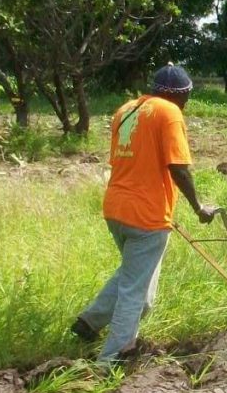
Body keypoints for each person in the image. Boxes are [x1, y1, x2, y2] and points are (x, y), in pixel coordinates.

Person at [73, 64, 218, 365]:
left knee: (134, 279)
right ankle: (112, 361)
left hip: (116, 208)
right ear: (178, 94)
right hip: (146, 217)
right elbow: (178, 167)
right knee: (134, 293)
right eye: (188, 96)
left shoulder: (126, 110)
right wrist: (198, 207)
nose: (187, 103)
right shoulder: (169, 112)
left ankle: (89, 321)